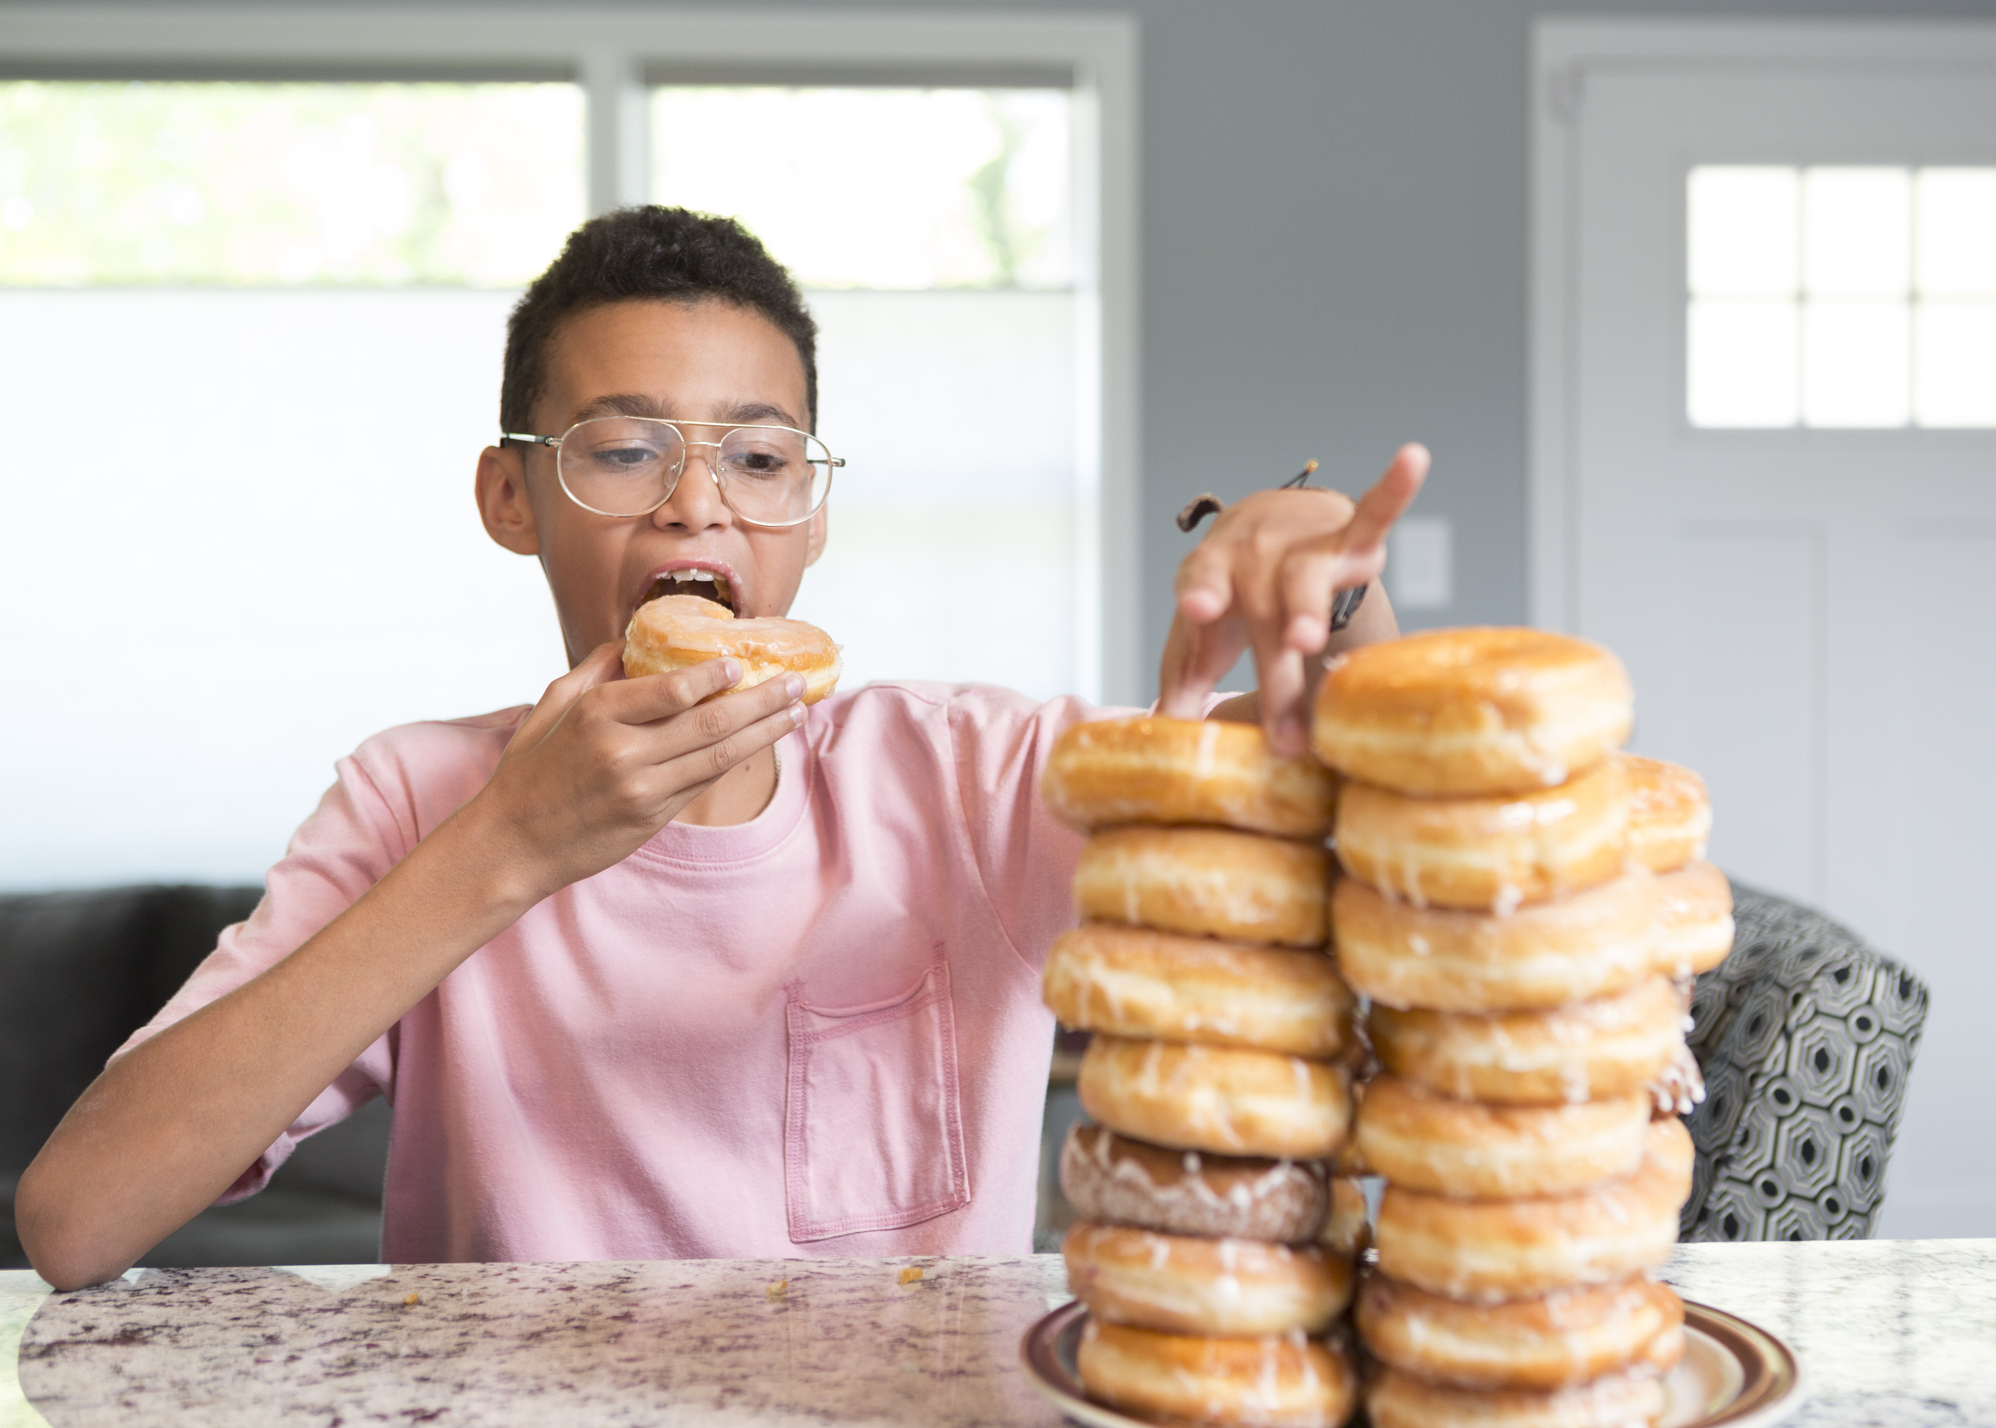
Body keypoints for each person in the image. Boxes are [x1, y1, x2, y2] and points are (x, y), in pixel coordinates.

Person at [18, 206, 1426, 1289]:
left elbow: (1368, 805)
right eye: (624, 450)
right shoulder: (416, 796)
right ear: (513, 497)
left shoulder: (966, 776)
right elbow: (78, 1219)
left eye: (761, 461)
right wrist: (508, 846)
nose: (700, 506)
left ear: (811, 520)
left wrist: (1333, 592)